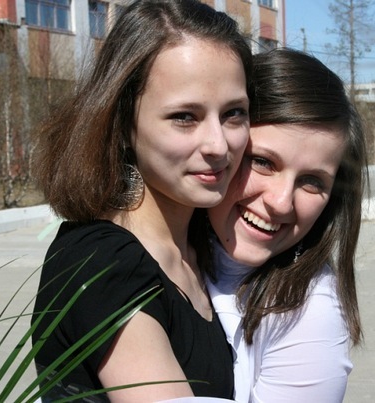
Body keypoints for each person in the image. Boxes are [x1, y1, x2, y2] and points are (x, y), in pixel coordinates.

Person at [30, 1, 252, 401]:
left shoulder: (205, 250)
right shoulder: (102, 263)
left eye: (233, 113)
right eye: (185, 117)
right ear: (122, 122)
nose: (219, 145)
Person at [206, 48, 367, 402]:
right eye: (262, 162)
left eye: (312, 182)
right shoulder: (130, 252)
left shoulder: (309, 311)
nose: (280, 202)